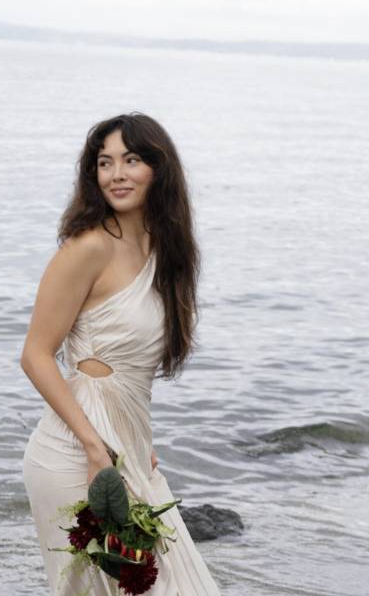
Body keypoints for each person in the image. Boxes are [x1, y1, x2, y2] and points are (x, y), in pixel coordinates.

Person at [20, 112, 222, 595]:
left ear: (159, 169)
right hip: (76, 455)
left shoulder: (166, 253)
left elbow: (130, 376)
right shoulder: (88, 247)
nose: (116, 174)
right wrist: (95, 447)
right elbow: (35, 354)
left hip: (127, 447)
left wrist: (137, 440)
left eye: (131, 160)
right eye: (105, 162)